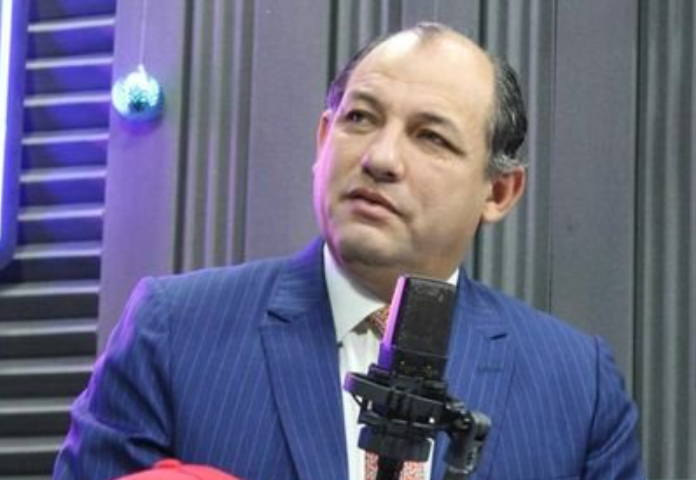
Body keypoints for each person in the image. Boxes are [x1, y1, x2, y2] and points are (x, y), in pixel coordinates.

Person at [53, 22, 644, 480]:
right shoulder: (174, 332)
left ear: (498, 192)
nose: (380, 158)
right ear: (322, 138)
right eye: (360, 118)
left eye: (430, 137)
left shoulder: (578, 387)